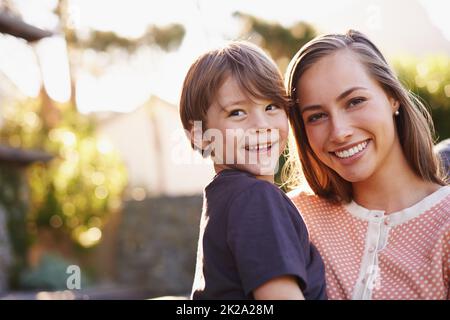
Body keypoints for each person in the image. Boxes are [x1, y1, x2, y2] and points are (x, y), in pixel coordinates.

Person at [284, 30, 449, 300]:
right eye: (317, 116)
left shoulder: (445, 223)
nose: (339, 132)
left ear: (392, 97)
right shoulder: (295, 217)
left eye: (355, 101)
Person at [179, 41, 326, 300]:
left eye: (271, 106)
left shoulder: (226, 197)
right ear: (200, 134)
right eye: (237, 112)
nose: (261, 124)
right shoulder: (255, 198)